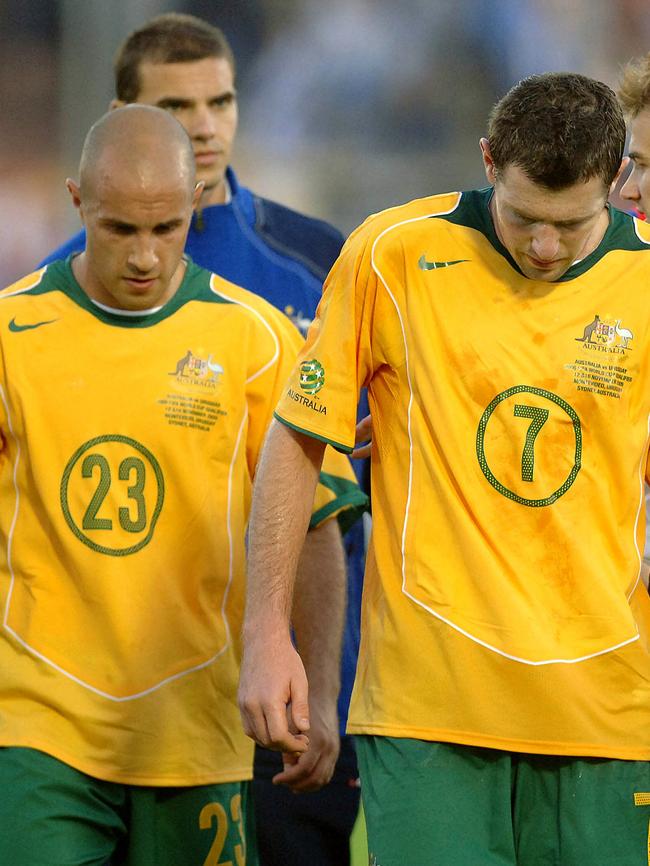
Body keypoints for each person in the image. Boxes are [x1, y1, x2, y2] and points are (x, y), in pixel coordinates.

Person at [238, 71, 650, 866]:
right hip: (427, 710)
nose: (542, 247)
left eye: (571, 226)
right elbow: (297, 440)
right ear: (489, 160)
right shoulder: (393, 253)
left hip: (607, 708)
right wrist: (266, 634)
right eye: (525, 217)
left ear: (620, 179)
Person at [40, 16, 368, 864]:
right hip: (85, 703)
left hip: (276, 680)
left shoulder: (311, 267)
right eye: (177, 106)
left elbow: (339, 498)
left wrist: (329, 676)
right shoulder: (43, 310)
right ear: (122, 119)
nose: (206, 125)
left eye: (220, 100)